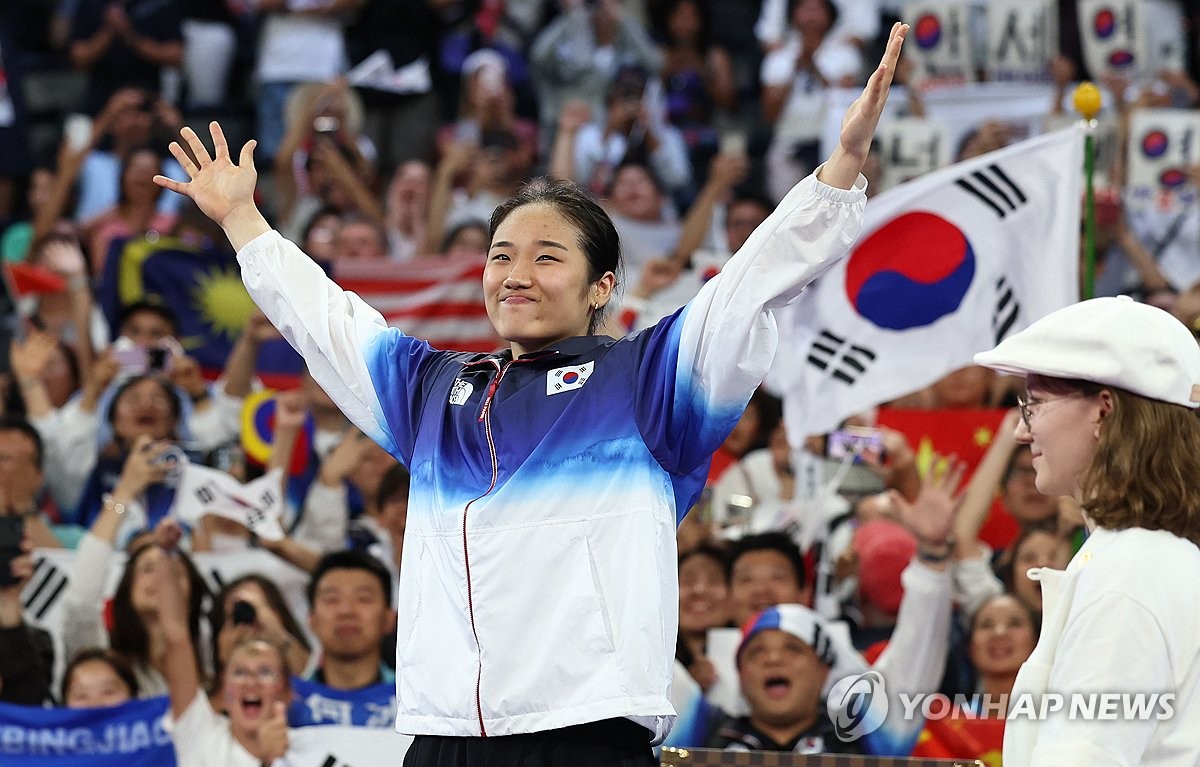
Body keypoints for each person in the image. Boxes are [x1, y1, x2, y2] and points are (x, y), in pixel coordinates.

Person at [153, 23, 909, 766]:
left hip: (586, 733)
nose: (515, 274)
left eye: (547, 256)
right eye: (500, 255)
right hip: (442, 733)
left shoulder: (647, 380)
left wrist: (838, 168)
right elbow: (328, 322)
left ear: (600, 286)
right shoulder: (432, 391)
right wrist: (244, 220)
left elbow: (748, 289)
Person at [974, 295, 1200, 766]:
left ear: (1103, 410)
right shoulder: (1150, 559)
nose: (1021, 430)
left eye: (1034, 404)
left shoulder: (1129, 572)